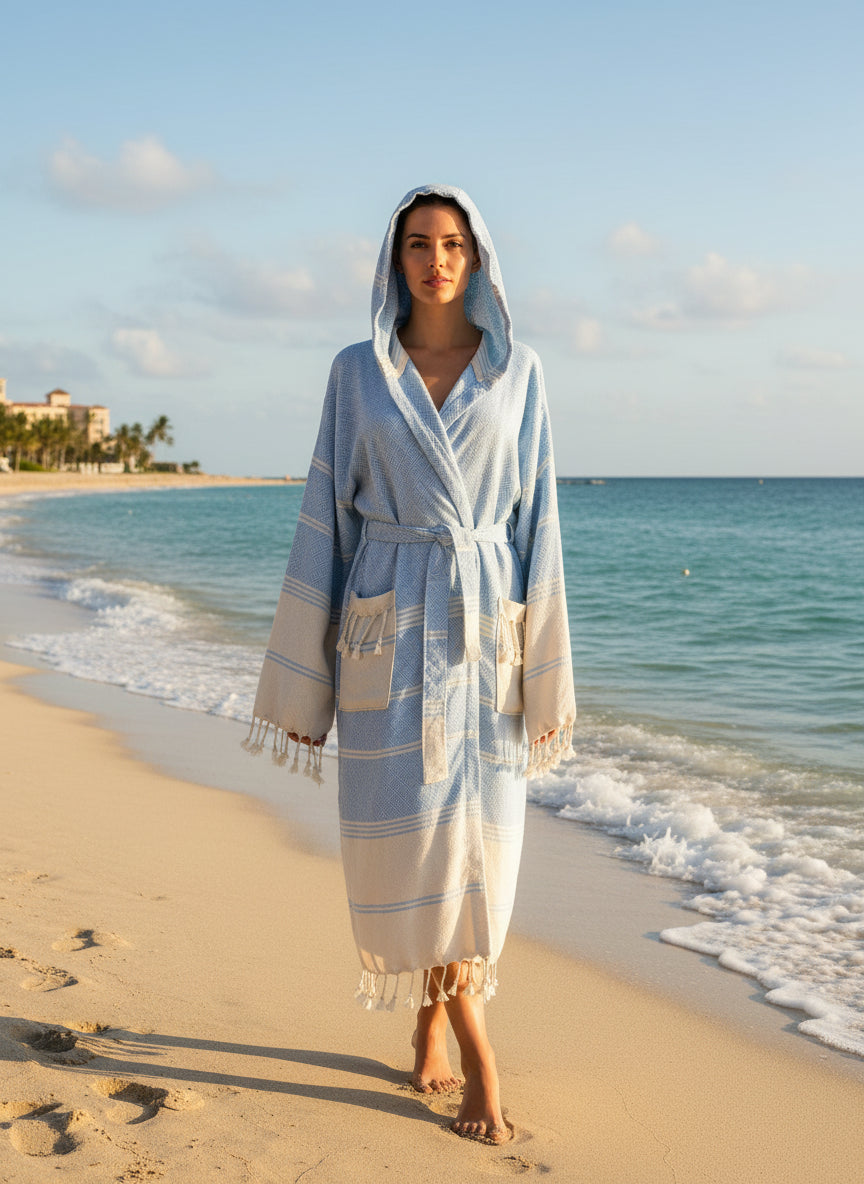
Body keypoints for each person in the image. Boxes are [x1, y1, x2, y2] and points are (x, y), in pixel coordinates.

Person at [247, 183, 576, 1144]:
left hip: (482, 633)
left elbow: (540, 521)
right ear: (394, 260)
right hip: (387, 631)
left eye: (455, 244)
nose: (438, 259)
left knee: (482, 855)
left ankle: (440, 1018)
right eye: (420, 244)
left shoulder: (520, 373)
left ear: (478, 261)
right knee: (416, 843)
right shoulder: (357, 374)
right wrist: (306, 675)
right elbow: (326, 518)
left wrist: (546, 669)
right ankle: (480, 1054)